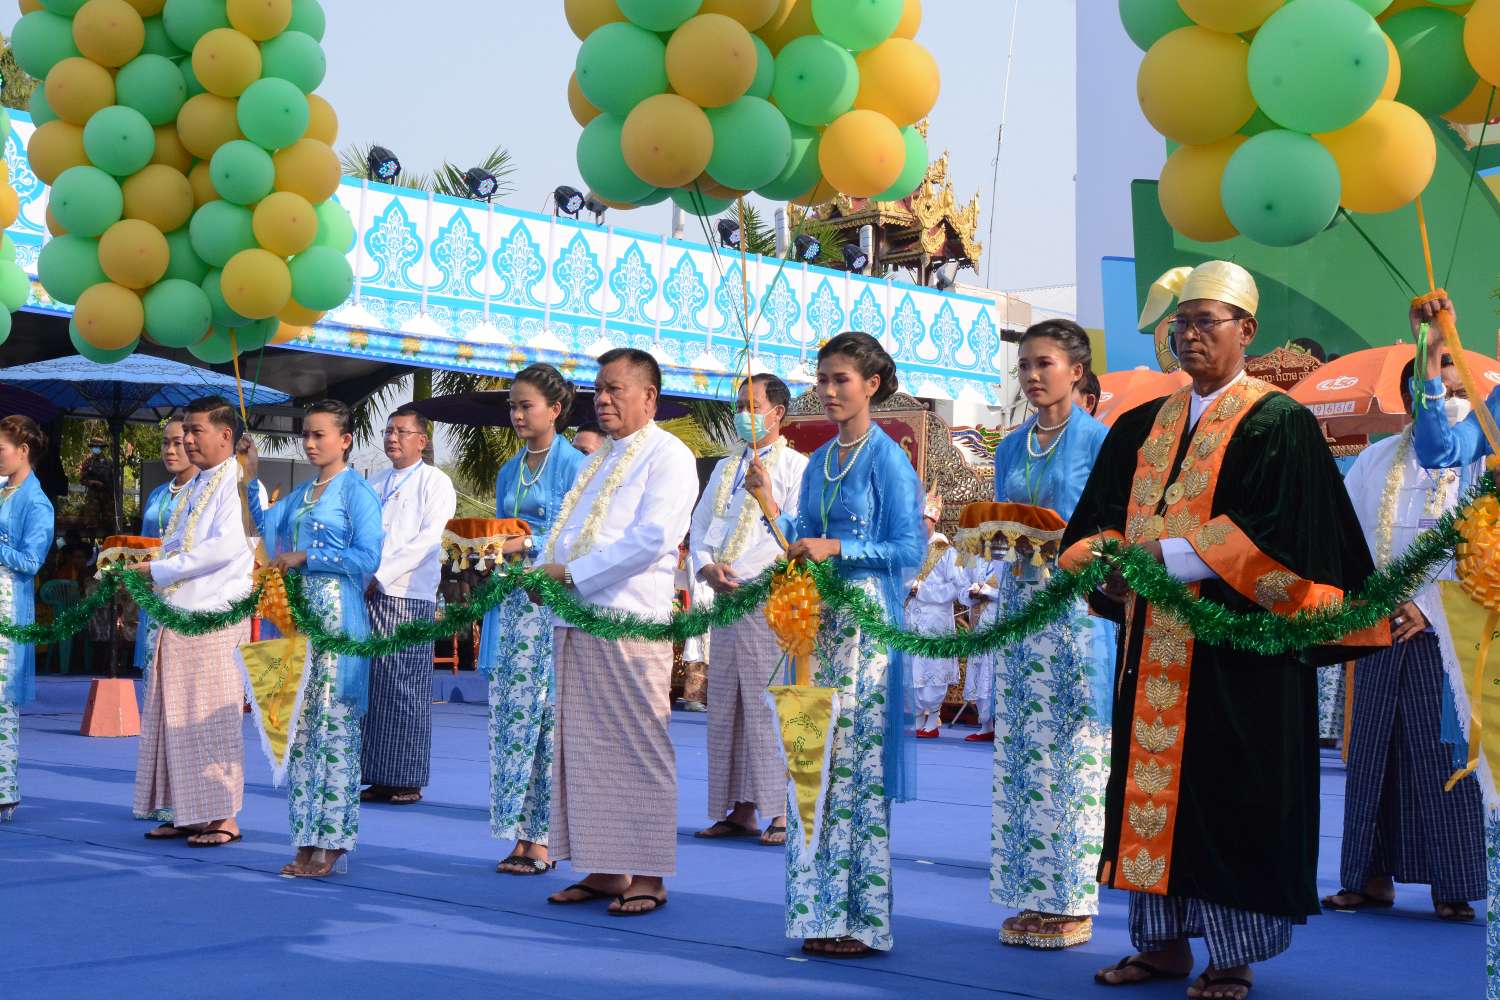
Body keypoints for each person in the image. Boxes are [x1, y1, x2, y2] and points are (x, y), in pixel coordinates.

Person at [1065, 261, 1382, 1000]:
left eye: (1207, 321)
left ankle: (1233, 958)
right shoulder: (1142, 424)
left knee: (1234, 796)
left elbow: (1281, 533)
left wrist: (1162, 556)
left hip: (1241, 656)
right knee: (1152, 794)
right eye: (1181, 322)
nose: (1189, 335)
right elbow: (1098, 519)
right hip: (1153, 649)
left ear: (1248, 330)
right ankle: (1162, 947)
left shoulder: (1279, 424)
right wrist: (1106, 567)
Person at [751, 330, 925, 957]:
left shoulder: (888, 459)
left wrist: (840, 548)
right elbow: (799, 540)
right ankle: (818, 914)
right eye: (821, 379)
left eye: (839, 379)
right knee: (812, 763)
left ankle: (863, 920)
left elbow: (910, 549)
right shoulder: (821, 458)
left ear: (871, 385)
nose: (826, 390)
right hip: (816, 626)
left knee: (855, 770)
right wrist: (769, 504)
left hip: (864, 629)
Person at [536, 349, 696, 915]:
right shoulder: (598, 458)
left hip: (628, 621)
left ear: (649, 397)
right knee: (587, 750)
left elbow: (653, 539)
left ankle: (648, 874)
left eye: (615, 389)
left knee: (639, 747)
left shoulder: (669, 456)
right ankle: (605, 868)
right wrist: (544, 573)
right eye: (598, 389)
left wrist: (570, 574)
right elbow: (570, 532)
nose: (602, 400)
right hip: (576, 619)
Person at [1324, 357, 1485, 922]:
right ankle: (1367, 879)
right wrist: (1368, 599)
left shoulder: (1480, 460)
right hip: (1378, 624)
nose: (1445, 402)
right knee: (1372, 751)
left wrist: (1431, 606)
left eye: (1455, 391)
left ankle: (1452, 886)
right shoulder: (1375, 458)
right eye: (1433, 390)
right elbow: (1343, 536)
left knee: (1444, 756)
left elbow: (1484, 553)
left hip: (1449, 634)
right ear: (1411, 396)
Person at [984, 318, 1111, 950]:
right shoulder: (1009, 447)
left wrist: (1066, 543)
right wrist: (997, 535)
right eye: (1025, 366)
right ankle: (1028, 891)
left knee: (1074, 753)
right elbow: (998, 527)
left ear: (1077, 371)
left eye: (1045, 364)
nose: (1032, 376)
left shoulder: (1102, 442)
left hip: (1077, 611)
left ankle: (1071, 899)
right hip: (1019, 609)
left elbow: (1116, 529)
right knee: (1022, 756)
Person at [256, 400, 384, 878]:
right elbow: (267, 528)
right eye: (305, 435)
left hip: (338, 619)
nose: (309, 444)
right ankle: (305, 839)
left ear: (345, 440)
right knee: (302, 732)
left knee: (335, 730)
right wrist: (246, 476)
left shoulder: (357, 492)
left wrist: (309, 556)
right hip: (300, 622)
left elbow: (367, 557)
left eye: (319, 435)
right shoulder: (302, 494)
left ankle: (333, 842)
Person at [130, 397, 254, 848]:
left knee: (210, 719)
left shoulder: (237, 482)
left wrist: (159, 571)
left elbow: (225, 548)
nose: (186, 440)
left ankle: (223, 816)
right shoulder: (198, 482)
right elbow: (178, 542)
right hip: (178, 614)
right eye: (186, 432)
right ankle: (185, 812)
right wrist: (146, 567)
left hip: (213, 616)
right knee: (174, 716)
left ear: (225, 435)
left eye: (196, 431)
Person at [690, 373, 807, 846]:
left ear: (778, 412)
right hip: (725, 597)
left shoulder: (796, 467)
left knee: (769, 701)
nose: (744, 414)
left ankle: (781, 810)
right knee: (727, 704)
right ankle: (739, 809)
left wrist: (768, 498)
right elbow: (700, 526)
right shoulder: (725, 469)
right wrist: (706, 566)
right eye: (739, 405)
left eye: (753, 406)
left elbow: (796, 534)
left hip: (769, 597)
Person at [480, 364, 587, 876]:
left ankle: (542, 838)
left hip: (552, 603)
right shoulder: (510, 470)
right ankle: (517, 833)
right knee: (511, 720)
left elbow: (581, 535)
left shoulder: (575, 466)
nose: (517, 415)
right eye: (512, 407)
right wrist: (483, 549)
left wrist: (526, 543)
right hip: (511, 605)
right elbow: (499, 530)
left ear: (556, 409)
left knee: (547, 722)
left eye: (526, 406)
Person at [359, 407, 456, 807]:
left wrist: (381, 574)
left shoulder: (435, 482)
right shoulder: (374, 481)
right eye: (388, 431)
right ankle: (377, 774)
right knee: (373, 686)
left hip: (408, 594)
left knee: (405, 687)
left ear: (422, 440)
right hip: (367, 591)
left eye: (401, 431)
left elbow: (429, 540)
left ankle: (406, 778)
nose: (392, 438)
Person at [0, 416, 56, 819]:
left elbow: (31, 561)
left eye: (1, 449)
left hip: (7, 607)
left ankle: (5, 790)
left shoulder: (37, 502)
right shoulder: (3, 490)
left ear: (24, 450)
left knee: (2, 702)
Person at [134, 416, 195, 687]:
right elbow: (143, 542)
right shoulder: (158, 494)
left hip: (184, 589)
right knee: (152, 671)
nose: (170, 450)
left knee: (177, 674)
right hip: (152, 588)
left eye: (177, 443)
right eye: (165, 443)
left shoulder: (202, 492)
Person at [906, 493, 966, 740]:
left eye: (923, 520)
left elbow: (958, 586)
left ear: (933, 521)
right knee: (912, 667)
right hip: (912, 617)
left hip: (935, 620)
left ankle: (933, 719)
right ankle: (917, 718)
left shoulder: (946, 552)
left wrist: (923, 591)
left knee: (934, 667)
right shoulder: (910, 549)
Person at [80, 436, 116, 534]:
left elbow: (113, 480)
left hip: (107, 497)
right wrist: (93, 482)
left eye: (98, 447)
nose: (96, 449)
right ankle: (91, 542)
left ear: (102, 448)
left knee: (109, 524)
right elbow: (82, 480)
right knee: (91, 524)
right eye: (94, 446)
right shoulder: (88, 462)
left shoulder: (109, 462)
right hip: (93, 498)